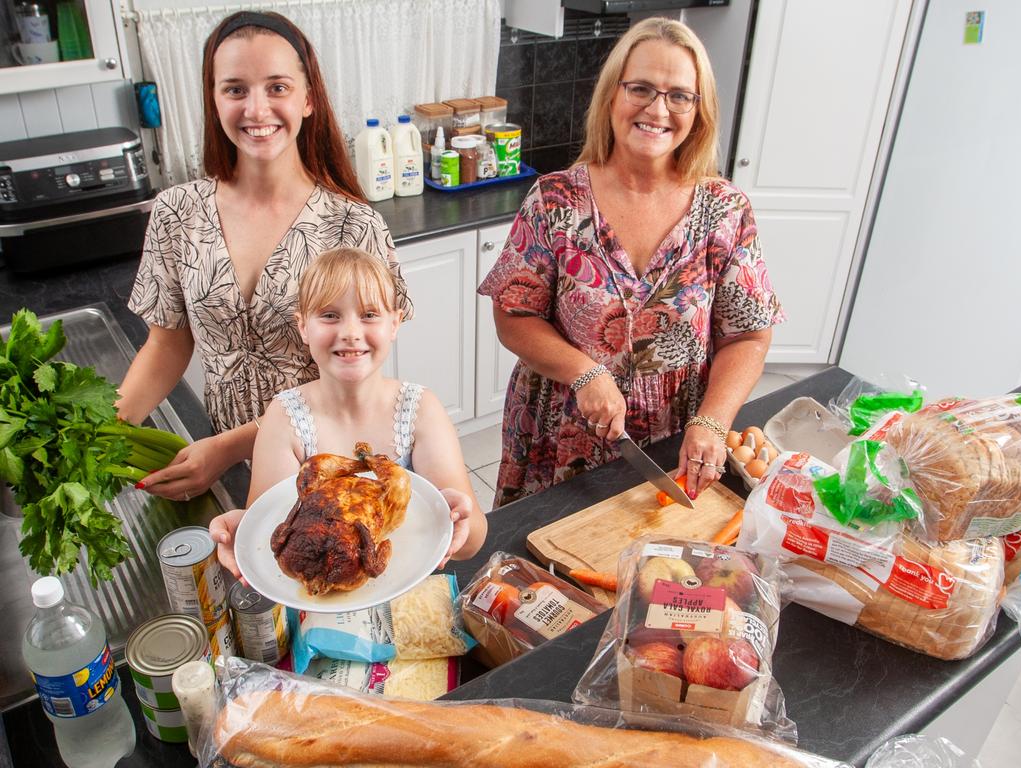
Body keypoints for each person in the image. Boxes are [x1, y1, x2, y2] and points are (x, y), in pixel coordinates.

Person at [478, 18, 784, 508]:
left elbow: (748, 335)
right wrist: (584, 371)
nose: (657, 109)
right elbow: (514, 315)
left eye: (679, 95)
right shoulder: (555, 200)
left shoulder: (726, 210)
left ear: (698, 110)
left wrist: (712, 421)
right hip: (559, 434)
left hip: (678, 436)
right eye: (640, 88)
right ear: (612, 96)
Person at [116, 11, 408, 502]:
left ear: (308, 98)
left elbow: (360, 382)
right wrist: (98, 433)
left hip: (328, 466)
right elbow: (166, 345)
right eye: (235, 89)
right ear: (213, 99)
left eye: (277, 87)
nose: (256, 109)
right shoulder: (176, 213)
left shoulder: (354, 227)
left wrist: (230, 447)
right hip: (219, 462)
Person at [210, 248, 487, 577]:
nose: (350, 332)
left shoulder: (421, 411)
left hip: (410, 589)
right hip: (322, 599)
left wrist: (459, 519)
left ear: (394, 324)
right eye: (329, 315)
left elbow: (472, 543)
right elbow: (267, 532)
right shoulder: (284, 418)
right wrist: (245, 534)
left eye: (369, 315)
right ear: (302, 327)